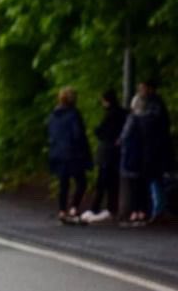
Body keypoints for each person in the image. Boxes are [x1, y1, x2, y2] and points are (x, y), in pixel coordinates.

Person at [47, 87, 93, 221]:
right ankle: (73, 207)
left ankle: (62, 210)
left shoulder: (54, 115)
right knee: (81, 182)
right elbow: (77, 135)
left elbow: (51, 134)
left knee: (63, 183)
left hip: (58, 153)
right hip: (73, 154)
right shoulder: (74, 115)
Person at [81, 89, 126, 223]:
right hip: (117, 152)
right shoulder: (123, 113)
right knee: (113, 182)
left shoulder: (110, 115)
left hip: (107, 151)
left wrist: (98, 131)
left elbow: (101, 132)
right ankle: (111, 208)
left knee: (102, 182)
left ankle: (95, 208)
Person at [138, 79, 174, 221]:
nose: (141, 92)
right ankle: (158, 207)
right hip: (154, 147)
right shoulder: (153, 104)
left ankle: (158, 208)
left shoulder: (154, 104)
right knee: (154, 178)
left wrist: (139, 118)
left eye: (142, 88)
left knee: (154, 177)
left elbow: (151, 122)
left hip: (155, 148)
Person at [119, 94, 149, 225]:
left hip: (132, 154)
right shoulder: (149, 119)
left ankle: (134, 212)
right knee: (142, 184)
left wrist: (120, 141)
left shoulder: (132, 119)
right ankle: (142, 211)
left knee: (133, 184)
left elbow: (125, 135)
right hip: (145, 154)